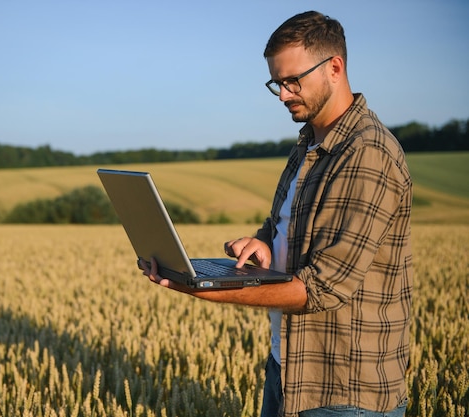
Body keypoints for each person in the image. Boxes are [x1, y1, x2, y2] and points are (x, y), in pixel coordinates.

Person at [140, 10, 413, 417]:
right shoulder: (306, 145)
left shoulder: (366, 153)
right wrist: (262, 242)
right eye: (277, 83)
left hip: (342, 392)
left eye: (292, 81)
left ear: (335, 68)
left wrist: (207, 288)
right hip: (288, 367)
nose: (283, 94)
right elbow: (280, 225)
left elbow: (322, 288)